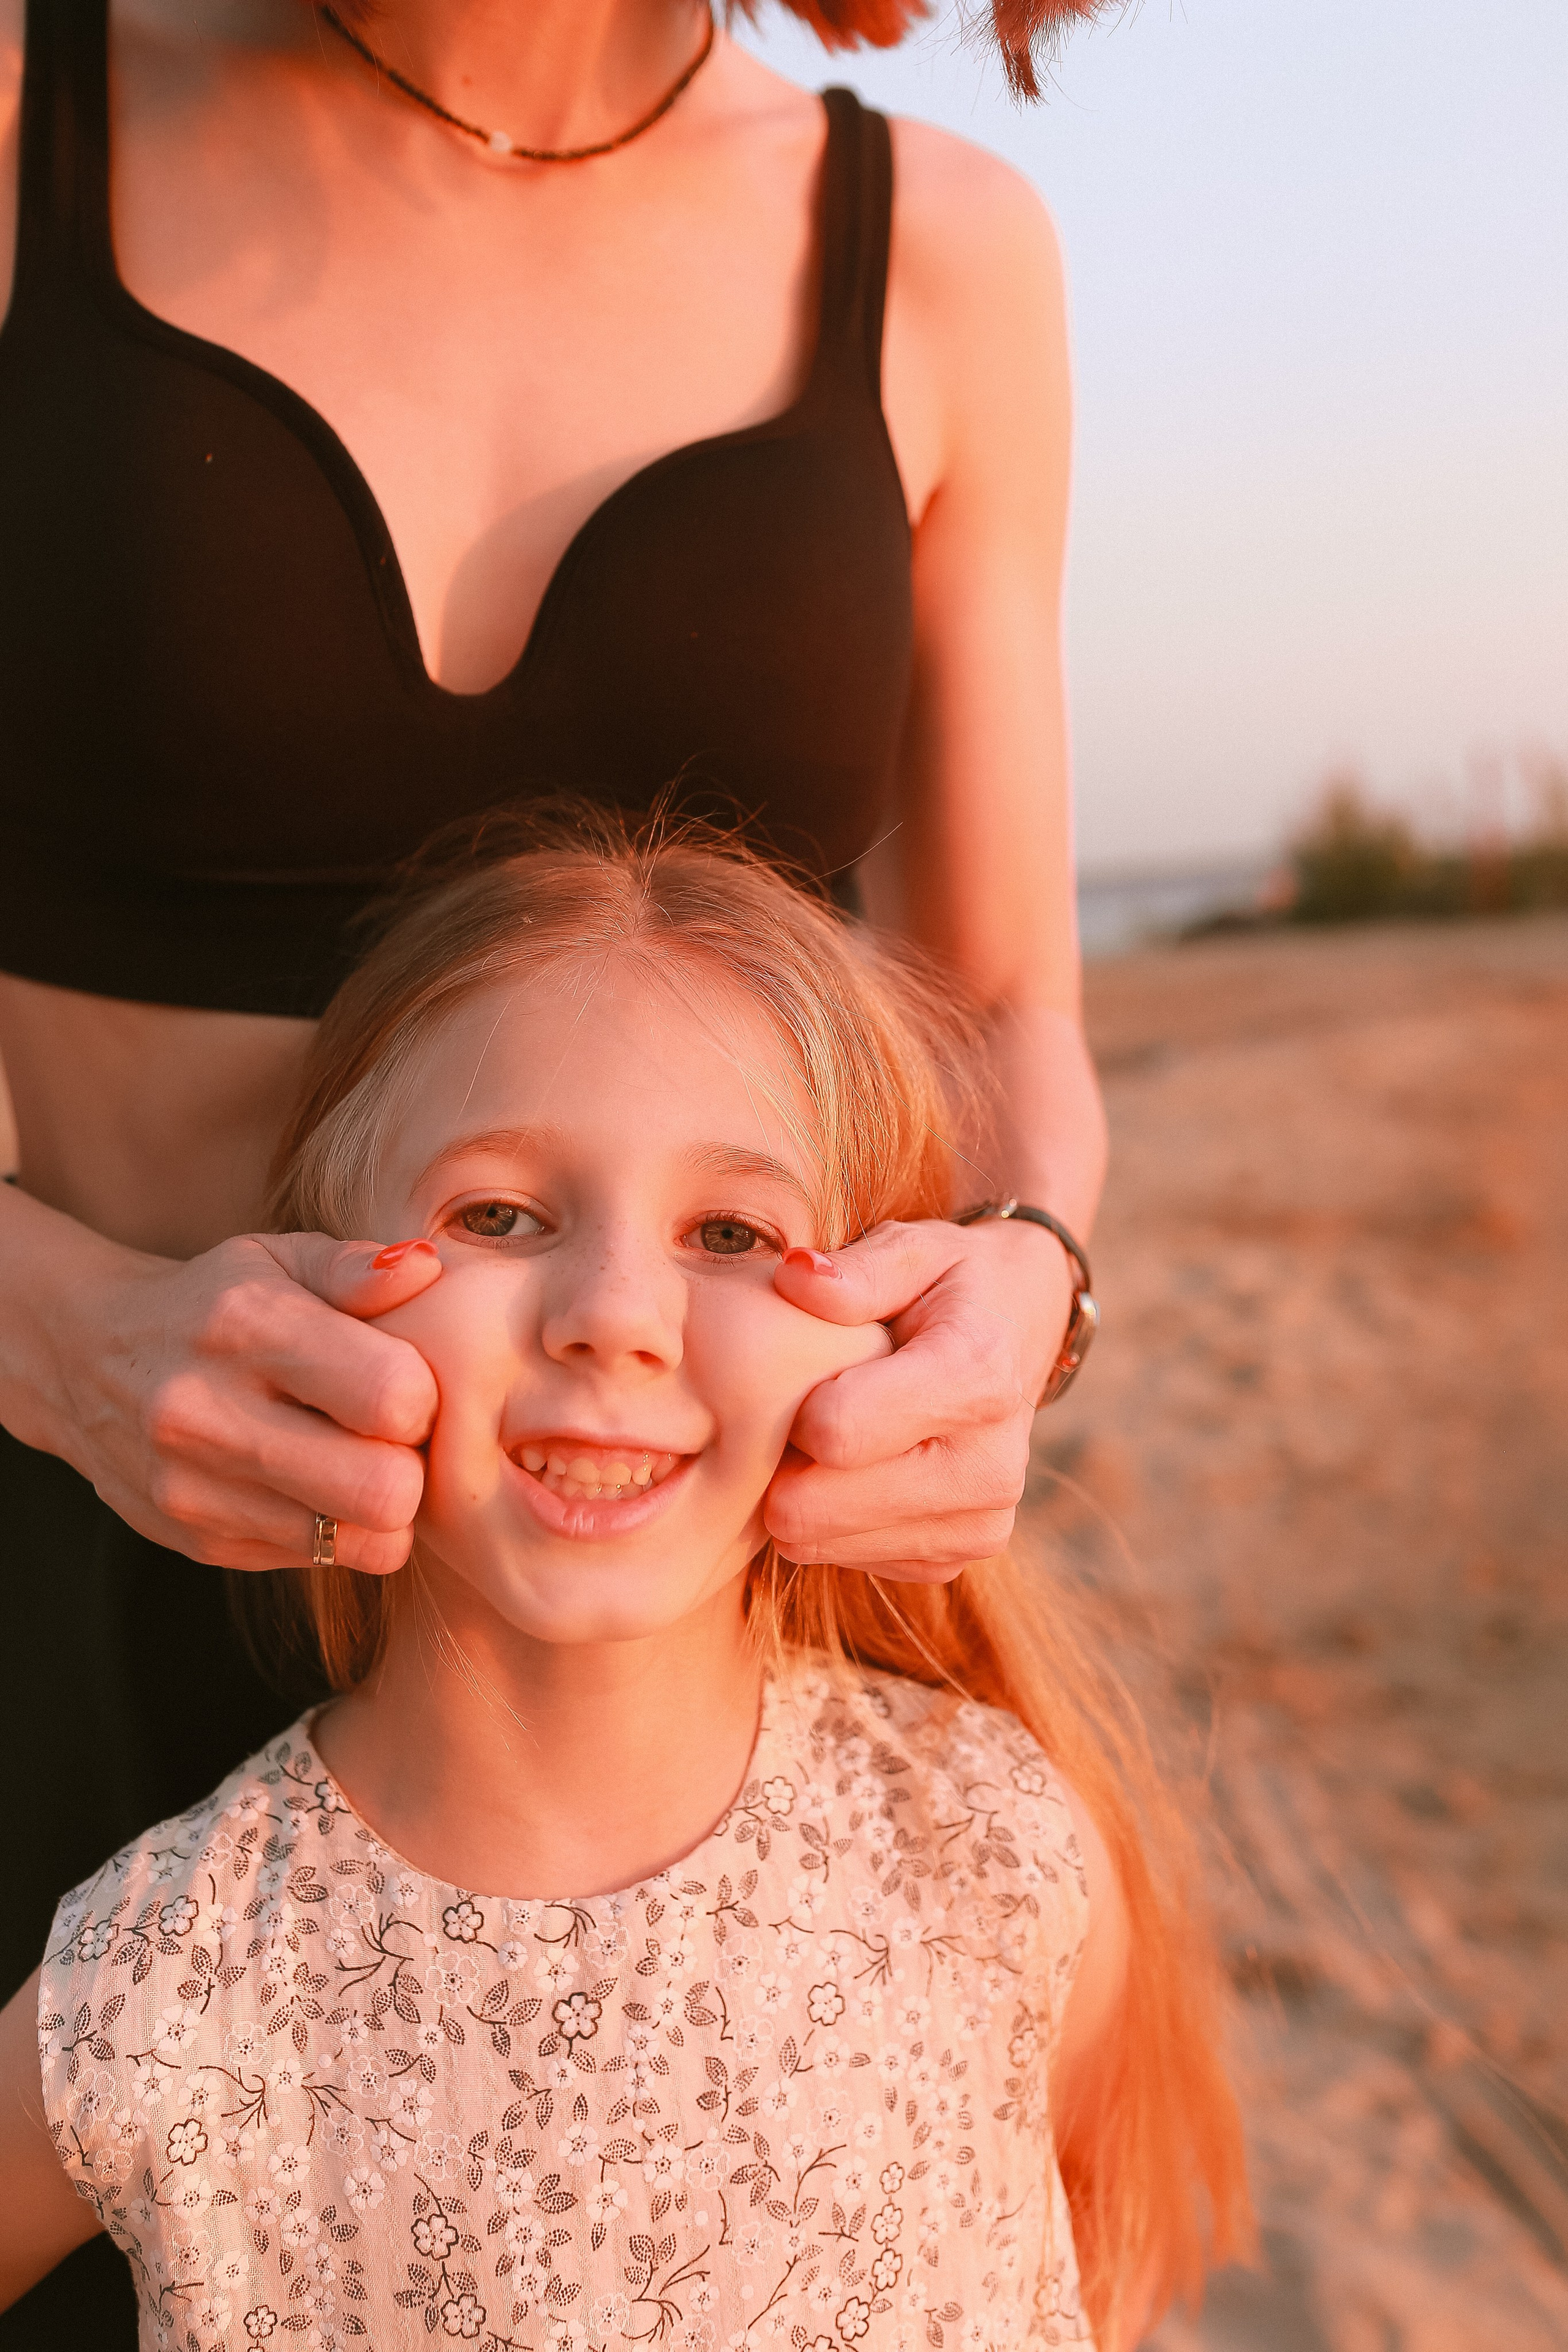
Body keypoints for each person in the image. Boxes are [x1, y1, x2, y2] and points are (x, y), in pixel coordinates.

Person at [0, 0, 1107, 2332]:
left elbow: (1001, 1005)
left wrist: (1031, 1279)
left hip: (681, 1668)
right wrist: (75, 1338)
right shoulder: (27, 118)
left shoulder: (940, 258)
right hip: (56, 1617)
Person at [0, 827, 1246, 2350]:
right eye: (498, 1218)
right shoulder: (161, 1982)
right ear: (304, 1280)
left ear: (882, 1319)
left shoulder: (990, 1848)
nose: (611, 1318)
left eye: (729, 1234)